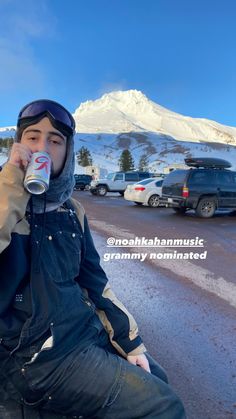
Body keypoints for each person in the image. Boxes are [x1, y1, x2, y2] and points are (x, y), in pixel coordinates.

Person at [0, 99, 186, 418]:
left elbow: (95, 282)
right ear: (18, 144)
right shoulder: (6, 200)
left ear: (68, 151)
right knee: (164, 407)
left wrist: (131, 341)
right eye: (32, 137)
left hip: (82, 333)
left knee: (158, 378)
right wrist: (11, 186)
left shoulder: (73, 211)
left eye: (55, 140)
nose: (42, 147)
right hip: (37, 356)